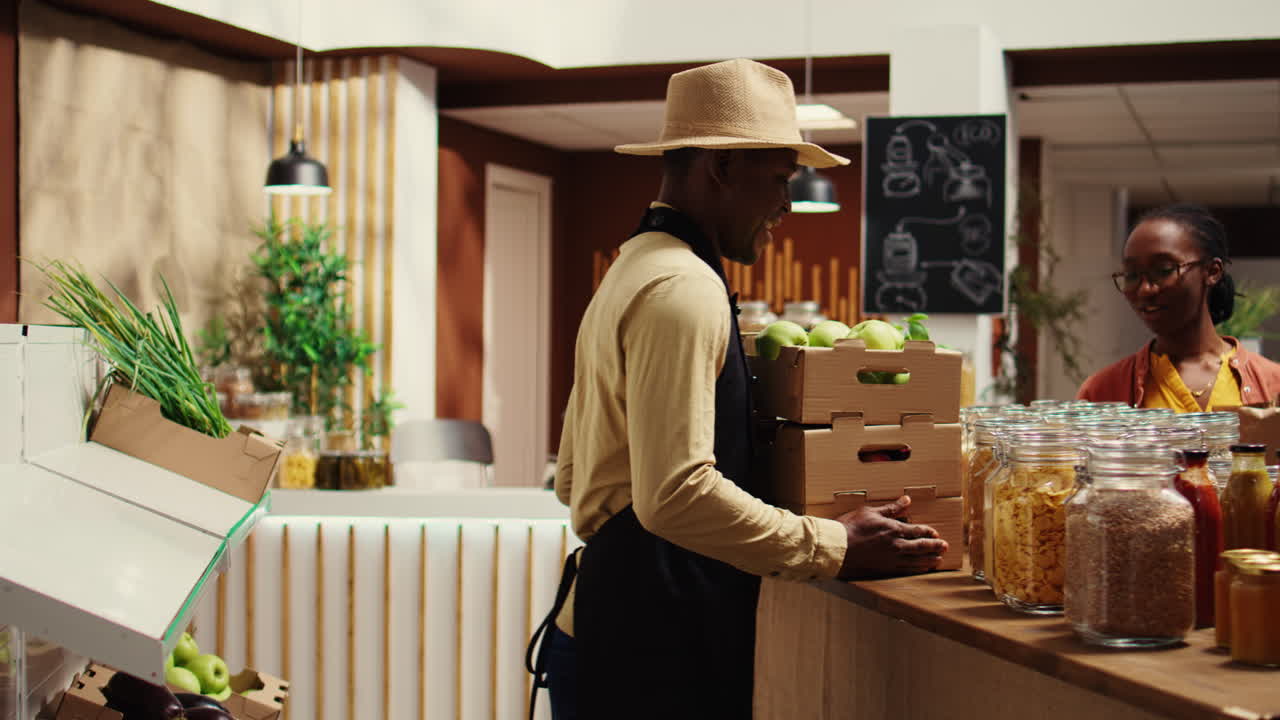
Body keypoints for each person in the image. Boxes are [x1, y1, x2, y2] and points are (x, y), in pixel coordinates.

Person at [524, 58, 948, 720]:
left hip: (609, 628)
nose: (786, 202)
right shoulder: (685, 290)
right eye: (779, 179)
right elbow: (675, 495)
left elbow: (573, 478)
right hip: (647, 654)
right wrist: (832, 544)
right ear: (720, 169)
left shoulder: (631, 268)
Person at [1077, 204, 1280, 409]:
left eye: (1164, 270)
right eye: (1131, 275)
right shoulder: (1103, 392)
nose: (1145, 289)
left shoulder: (1273, 383)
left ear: (1212, 272)